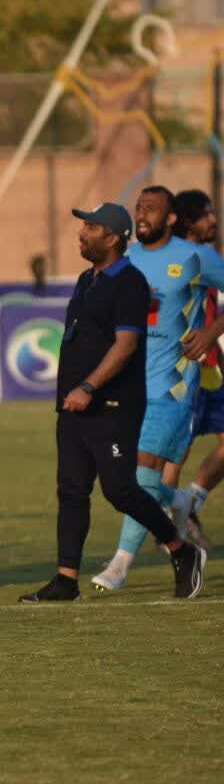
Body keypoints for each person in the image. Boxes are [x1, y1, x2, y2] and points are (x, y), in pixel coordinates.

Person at [20, 203, 206, 602]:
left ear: (112, 237)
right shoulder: (87, 279)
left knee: (121, 490)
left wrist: (88, 387)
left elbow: (126, 345)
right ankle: (66, 580)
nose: (81, 233)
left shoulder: (129, 282)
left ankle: (182, 550)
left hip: (111, 406)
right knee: (71, 490)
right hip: (74, 408)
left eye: (90, 227)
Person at [89, 186, 223, 592]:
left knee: (143, 468)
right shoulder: (125, 258)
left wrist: (210, 333)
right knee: (123, 478)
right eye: (139, 208)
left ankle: (120, 565)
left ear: (170, 218)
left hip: (172, 386)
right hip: (127, 384)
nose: (142, 214)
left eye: (151, 208)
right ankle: (177, 500)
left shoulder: (194, 256)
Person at [161, 189, 224, 546]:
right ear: (188, 221)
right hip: (182, 372)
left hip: (211, 369)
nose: (213, 220)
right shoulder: (178, 260)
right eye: (206, 214)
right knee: (174, 455)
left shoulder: (207, 258)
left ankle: (189, 504)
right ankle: (166, 529)